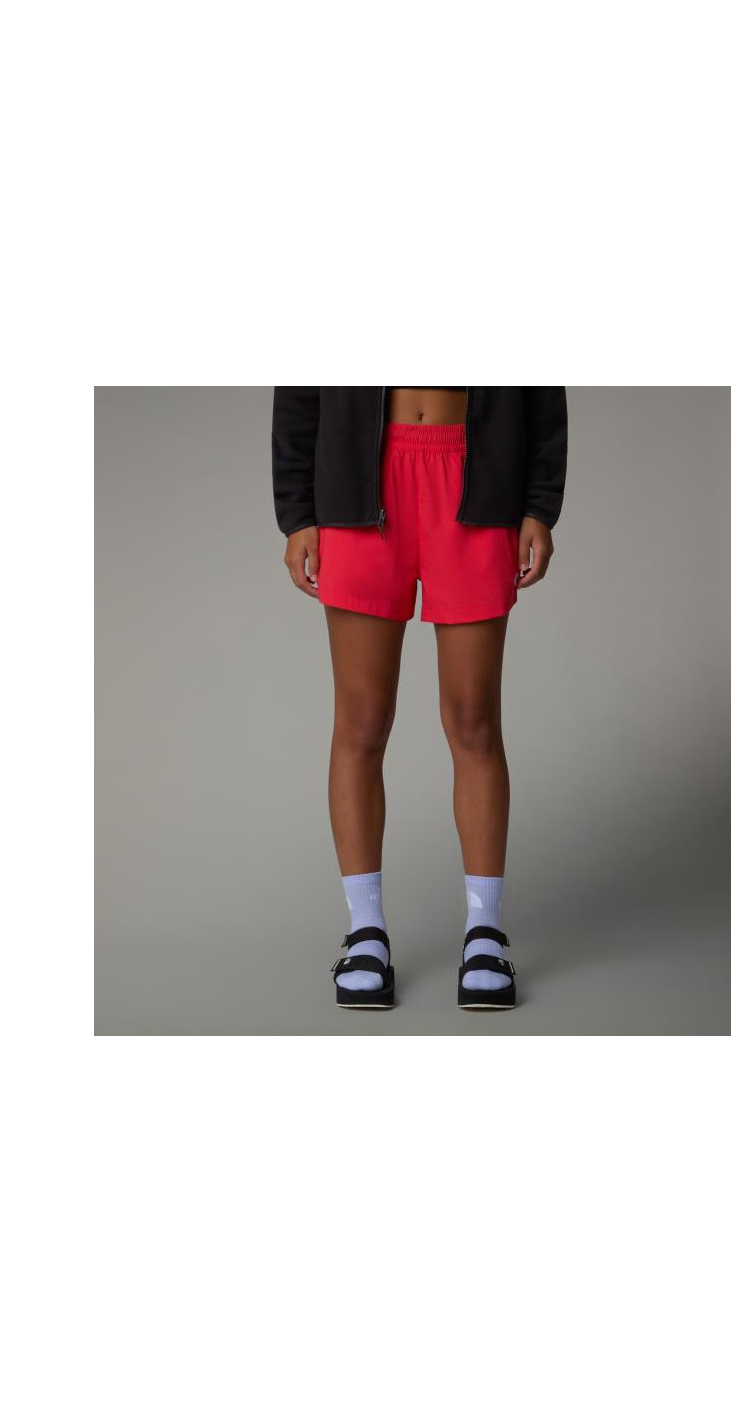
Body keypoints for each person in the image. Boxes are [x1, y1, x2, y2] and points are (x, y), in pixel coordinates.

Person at [272, 387, 568, 1009]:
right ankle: (365, 933)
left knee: (473, 721)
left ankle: (485, 932)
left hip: (475, 482)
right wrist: (298, 514)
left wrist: (539, 505)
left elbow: (542, 392)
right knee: (362, 721)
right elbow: (299, 393)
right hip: (360, 488)